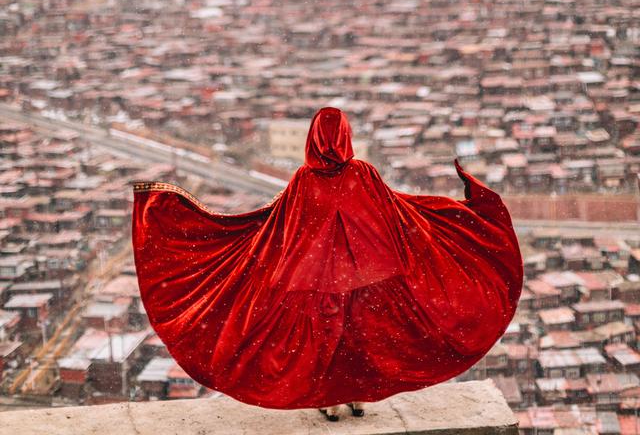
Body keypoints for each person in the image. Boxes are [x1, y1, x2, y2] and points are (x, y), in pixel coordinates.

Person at [132, 106, 522, 416]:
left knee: (324, 349)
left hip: (313, 286)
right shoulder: (363, 174)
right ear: (347, 137)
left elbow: (281, 228)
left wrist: (242, 250)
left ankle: (330, 401)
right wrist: (450, 219)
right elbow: (397, 215)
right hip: (369, 281)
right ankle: (356, 398)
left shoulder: (305, 180)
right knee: (361, 343)